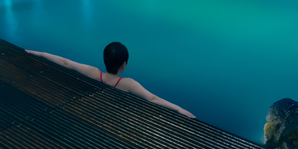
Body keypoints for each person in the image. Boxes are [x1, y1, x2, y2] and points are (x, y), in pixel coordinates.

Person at [26, 42, 195, 118]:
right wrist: (179, 109)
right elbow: (152, 98)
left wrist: (38, 53)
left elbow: (65, 62)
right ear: (124, 64)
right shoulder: (128, 84)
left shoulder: (92, 72)